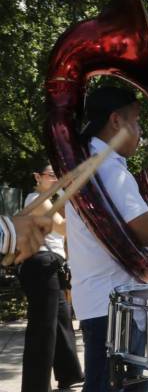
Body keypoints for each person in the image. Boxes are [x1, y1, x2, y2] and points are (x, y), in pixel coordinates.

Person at [66, 86, 148, 392]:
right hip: (113, 305)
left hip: (105, 302)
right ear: (116, 121)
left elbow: (116, 212)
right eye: (137, 121)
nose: (140, 132)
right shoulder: (109, 168)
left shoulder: (89, 161)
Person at [18, 163, 83, 391]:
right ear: (37, 177)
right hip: (40, 265)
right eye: (52, 175)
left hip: (51, 265)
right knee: (43, 328)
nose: (57, 179)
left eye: (59, 175)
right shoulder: (36, 199)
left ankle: (70, 374)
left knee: (62, 320)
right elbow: (64, 228)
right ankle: (35, 386)